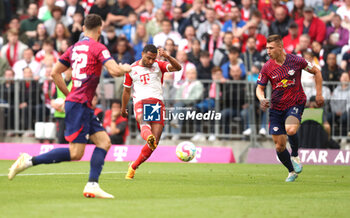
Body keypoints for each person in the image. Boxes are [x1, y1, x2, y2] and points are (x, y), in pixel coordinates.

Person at [8, 14, 132, 199]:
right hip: (80, 104)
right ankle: (29, 160)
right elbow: (114, 71)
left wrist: (69, 96)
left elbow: (55, 73)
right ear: (100, 30)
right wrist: (125, 68)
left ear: (83, 28)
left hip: (80, 103)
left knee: (104, 142)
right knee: (76, 153)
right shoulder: (99, 47)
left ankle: (92, 185)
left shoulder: (74, 48)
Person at [256, 35, 324, 182]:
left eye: (271, 48)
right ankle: (291, 171)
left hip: (295, 102)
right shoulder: (267, 66)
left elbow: (317, 72)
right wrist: (262, 99)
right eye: (267, 48)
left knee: (291, 129)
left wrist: (319, 94)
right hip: (276, 107)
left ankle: (295, 154)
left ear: (280, 47)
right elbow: (259, 88)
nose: (268, 51)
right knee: (279, 146)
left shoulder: (296, 60)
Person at [121, 44, 181, 179]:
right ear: (142, 54)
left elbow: (178, 68)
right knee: (143, 122)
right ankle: (148, 135)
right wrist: (123, 107)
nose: (150, 61)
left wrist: (167, 56)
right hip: (140, 102)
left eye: (153, 59)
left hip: (157, 103)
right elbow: (126, 90)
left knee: (154, 143)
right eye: (148, 58)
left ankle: (133, 166)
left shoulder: (159, 65)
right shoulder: (131, 69)